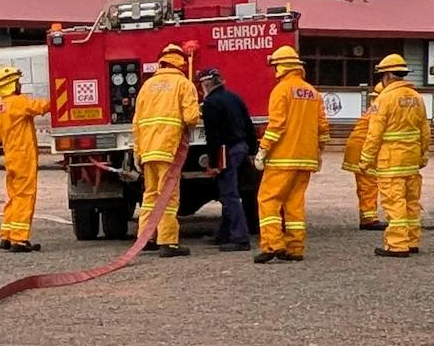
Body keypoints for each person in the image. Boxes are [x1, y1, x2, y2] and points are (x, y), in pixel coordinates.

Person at [253, 44, 330, 262]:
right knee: (295, 204)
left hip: (282, 159)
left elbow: (277, 125)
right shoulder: (313, 92)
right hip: (306, 159)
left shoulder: (281, 90)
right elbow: (323, 128)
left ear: (280, 67)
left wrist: (263, 149)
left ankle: (272, 245)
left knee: (268, 200)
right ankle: (295, 248)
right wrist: (319, 153)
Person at [357, 53, 431, 258]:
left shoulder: (385, 99)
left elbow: (374, 133)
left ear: (388, 75)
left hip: (391, 161)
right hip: (411, 160)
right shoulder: (417, 98)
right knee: (411, 202)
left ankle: (397, 245)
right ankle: (412, 241)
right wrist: (423, 154)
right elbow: (425, 129)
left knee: (394, 202)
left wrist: (365, 159)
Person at [133, 43, 201, 258]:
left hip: (147, 150)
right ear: (180, 61)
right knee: (169, 197)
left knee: (150, 195)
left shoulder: (147, 86)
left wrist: (138, 151)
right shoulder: (183, 84)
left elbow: (137, 121)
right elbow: (191, 118)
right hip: (169, 149)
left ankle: (146, 238)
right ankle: (168, 242)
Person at [0, 63, 51, 252]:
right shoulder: (18, 102)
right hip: (24, 157)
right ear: (12, 84)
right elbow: (40, 107)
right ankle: (19, 239)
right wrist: (59, 97)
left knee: (14, 196)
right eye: (18, 82)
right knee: (25, 196)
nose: (20, 85)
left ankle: (6, 236)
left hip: (11, 157)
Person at [195, 66, 253, 252]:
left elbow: (213, 136)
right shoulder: (234, 97)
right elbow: (249, 125)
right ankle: (225, 234)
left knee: (229, 194)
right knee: (228, 192)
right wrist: (253, 151)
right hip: (241, 147)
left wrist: (213, 164)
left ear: (205, 83)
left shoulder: (211, 103)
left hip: (226, 150)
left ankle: (240, 238)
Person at [341, 72, 388, 231]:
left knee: (367, 184)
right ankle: (369, 219)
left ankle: (368, 216)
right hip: (362, 149)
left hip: (360, 147)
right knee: (368, 184)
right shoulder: (380, 108)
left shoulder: (375, 108)